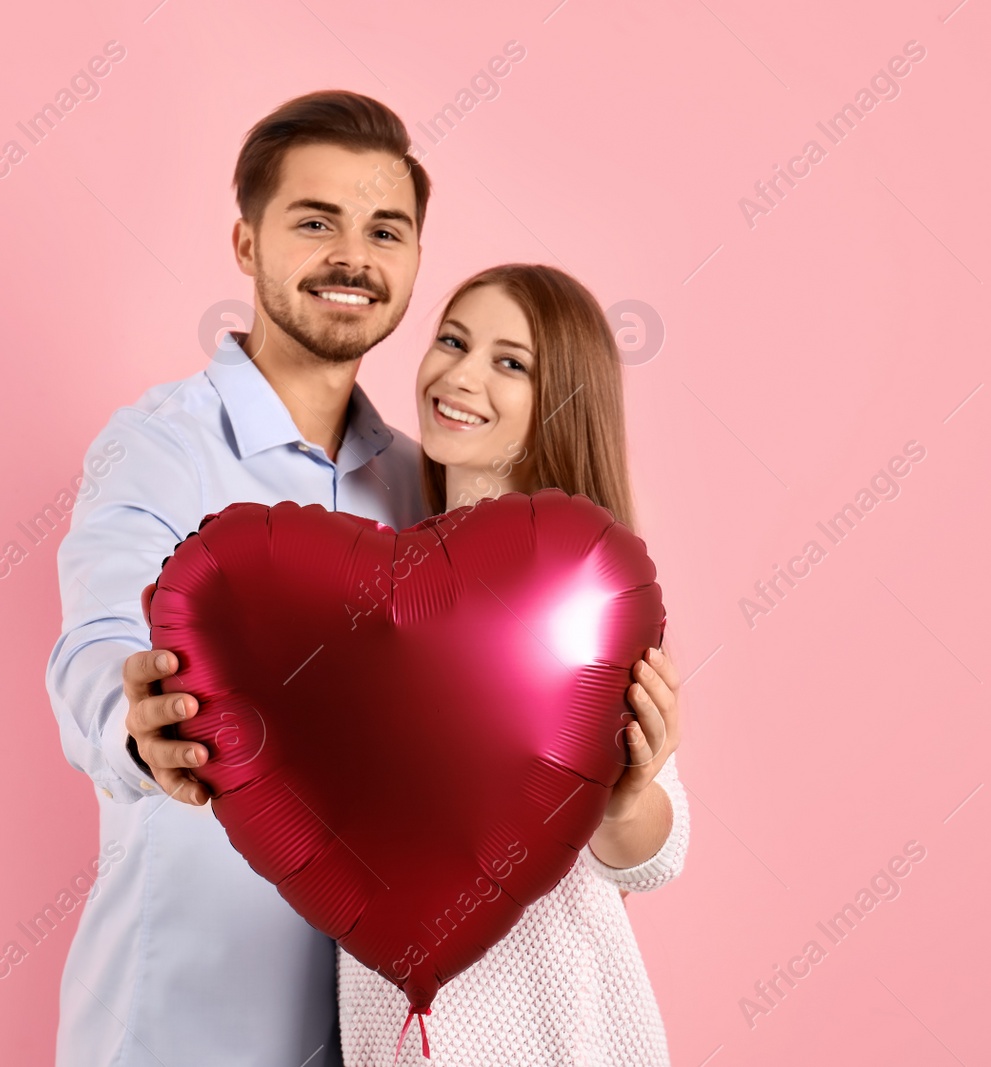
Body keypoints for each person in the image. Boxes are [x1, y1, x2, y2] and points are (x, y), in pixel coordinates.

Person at [46, 90, 681, 1065]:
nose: (352, 256)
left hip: (383, 1035)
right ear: (246, 243)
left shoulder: (418, 482)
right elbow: (98, 642)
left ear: (415, 260)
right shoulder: (159, 448)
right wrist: (135, 729)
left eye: (384, 229)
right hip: (193, 1022)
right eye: (314, 221)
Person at [336, 265, 688, 1066]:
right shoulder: (377, 582)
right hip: (394, 1035)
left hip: (554, 1035)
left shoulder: (581, 593)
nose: (460, 375)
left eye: (510, 362)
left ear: (561, 401)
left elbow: (660, 853)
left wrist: (624, 799)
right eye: (452, 341)